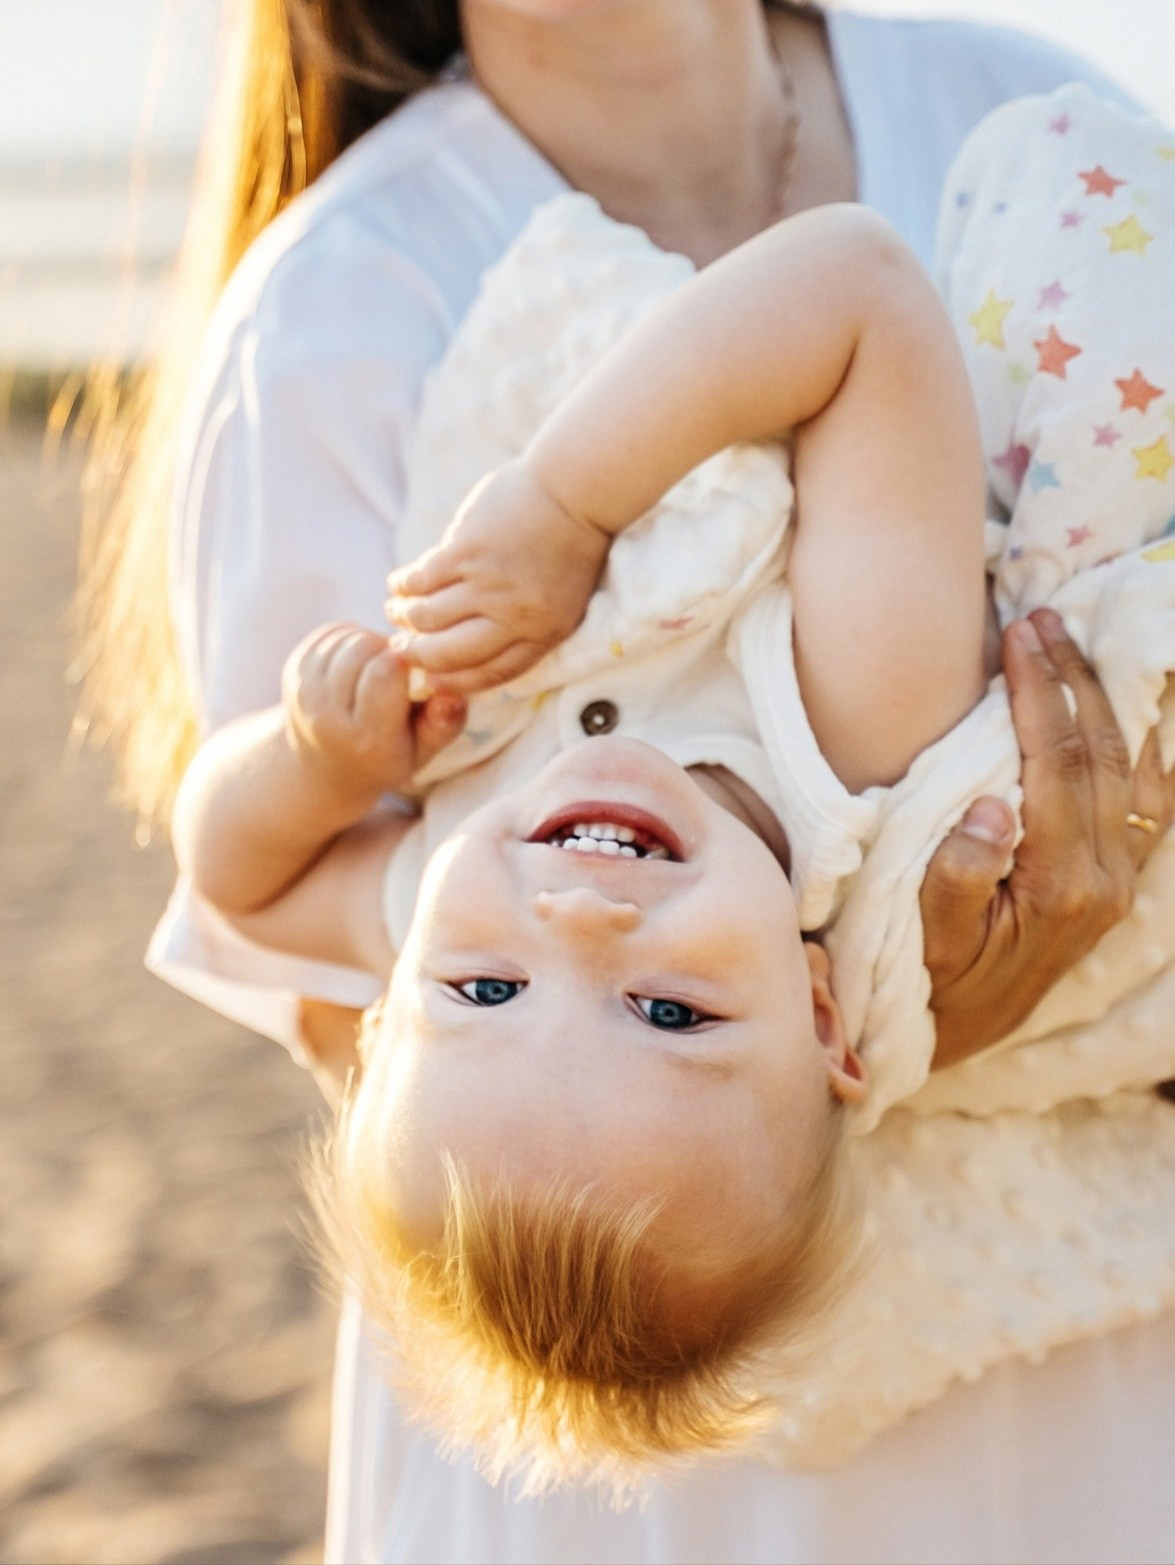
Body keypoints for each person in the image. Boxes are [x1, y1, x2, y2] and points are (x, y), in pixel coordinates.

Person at [79, 1, 1175, 1559]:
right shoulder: (844, 726)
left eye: (479, 991)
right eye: (669, 1009)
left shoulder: (487, 882)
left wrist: (317, 761)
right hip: (629, 1485)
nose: (589, 924)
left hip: (1062, 1434)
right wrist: (953, 1033)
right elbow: (857, 291)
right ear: (820, 1019)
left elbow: (234, 871)